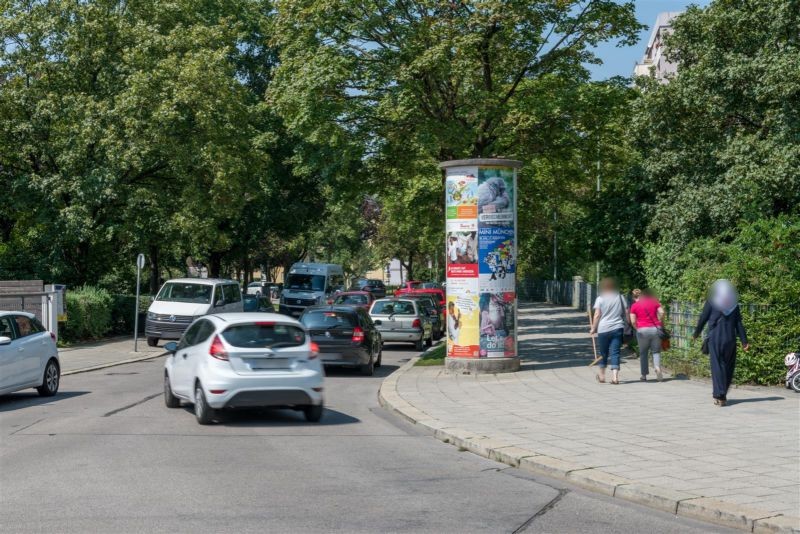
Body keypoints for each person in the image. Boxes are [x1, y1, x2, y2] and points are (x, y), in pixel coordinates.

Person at [692, 280, 749, 406]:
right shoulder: (734, 305)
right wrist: (744, 341)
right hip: (730, 338)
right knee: (728, 366)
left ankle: (719, 395)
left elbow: (703, 318)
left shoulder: (712, 302)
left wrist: (696, 333)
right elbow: (739, 323)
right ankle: (722, 394)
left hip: (716, 338)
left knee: (717, 365)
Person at [590, 277, 628, 384]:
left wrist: (593, 328)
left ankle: (602, 376)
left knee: (603, 353)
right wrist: (629, 324)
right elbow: (626, 312)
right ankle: (615, 377)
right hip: (617, 327)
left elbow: (597, 315)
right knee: (615, 352)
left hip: (603, 329)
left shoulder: (600, 299)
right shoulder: (620, 297)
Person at [630, 289, 665, 381]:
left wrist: (637, 328)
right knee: (656, 351)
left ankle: (644, 375)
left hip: (642, 330)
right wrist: (660, 321)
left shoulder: (634, 305)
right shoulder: (654, 301)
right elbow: (662, 312)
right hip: (655, 329)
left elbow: (633, 321)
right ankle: (657, 367)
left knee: (643, 353)